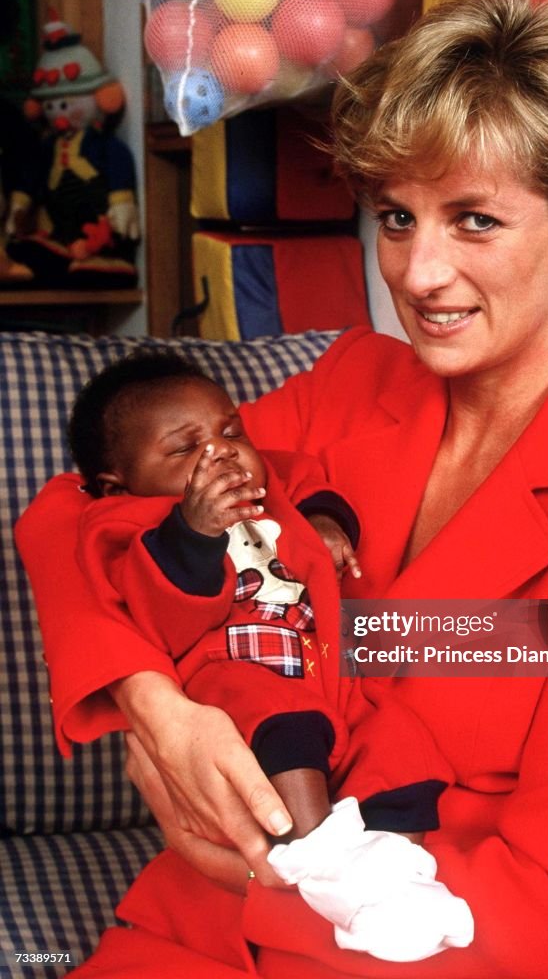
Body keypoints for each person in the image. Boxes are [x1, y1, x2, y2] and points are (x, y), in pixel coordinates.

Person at [15, 0, 548, 979]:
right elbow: (71, 513)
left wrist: (245, 872)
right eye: (397, 217)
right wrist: (153, 703)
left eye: (474, 220)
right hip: (177, 942)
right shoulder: (350, 383)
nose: (419, 273)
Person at [64, 349, 472, 960]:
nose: (219, 453)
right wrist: (192, 535)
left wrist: (327, 524)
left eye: (231, 432)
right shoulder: (126, 527)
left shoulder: (267, 484)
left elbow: (311, 483)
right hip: (231, 677)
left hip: (323, 674)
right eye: (184, 450)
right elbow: (156, 615)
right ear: (116, 487)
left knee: (398, 738)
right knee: (283, 719)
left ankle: (396, 875)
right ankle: (318, 856)